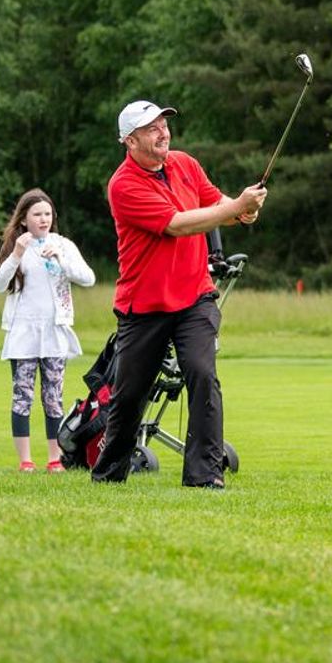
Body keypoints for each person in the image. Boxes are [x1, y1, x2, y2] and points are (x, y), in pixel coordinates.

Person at [88, 100, 268, 489]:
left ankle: (205, 477)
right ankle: (108, 474)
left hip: (194, 296)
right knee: (130, 396)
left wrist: (241, 211)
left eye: (164, 125)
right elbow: (177, 224)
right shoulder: (123, 185)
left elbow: (214, 202)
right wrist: (235, 207)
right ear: (130, 140)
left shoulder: (185, 163)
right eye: (151, 128)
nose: (163, 132)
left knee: (202, 374)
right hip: (144, 305)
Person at [0, 189, 96, 473]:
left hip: (54, 332)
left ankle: (54, 458)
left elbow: (88, 278)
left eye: (47, 214)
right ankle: (25, 460)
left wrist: (61, 258)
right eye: (37, 214)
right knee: (22, 397)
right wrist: (16, 255)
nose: (43, 219)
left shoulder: (63, 244)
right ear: (24, 219)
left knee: (53, 398)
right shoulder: (16, 246)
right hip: (23, 333)